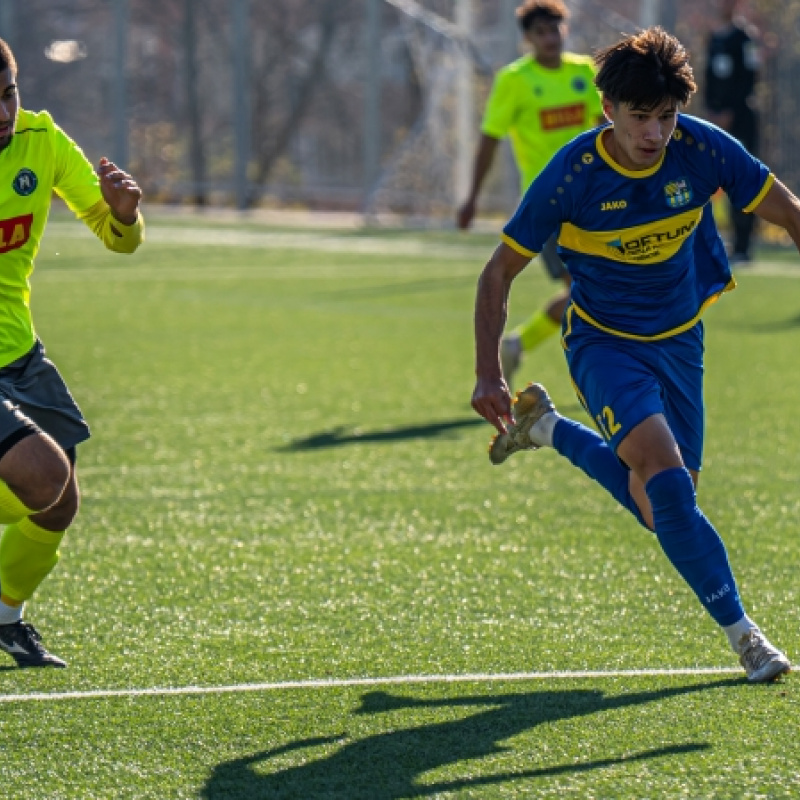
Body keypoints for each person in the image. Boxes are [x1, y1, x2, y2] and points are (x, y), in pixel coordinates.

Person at [471, 27, 798, 682]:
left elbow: (790, 214)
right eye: (641, 118)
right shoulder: (571, 177)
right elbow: (497, 275)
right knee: (667, 484)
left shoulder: (702, 149)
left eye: (666, 117)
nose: (654, 133)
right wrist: (487, 371)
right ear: (608, 112)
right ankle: (748, 639)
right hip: (604, 342)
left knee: (661, 511)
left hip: (680, 339)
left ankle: (549, 429)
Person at [0, 38, 144, 668]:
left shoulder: (43, 141)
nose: (3, 112)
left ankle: (4, 616)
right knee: (41, 473)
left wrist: (125, 215)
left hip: (19, 355)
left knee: (60, 500)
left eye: (7, 94)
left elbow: (117, 239)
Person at [457, 0, 603, 386]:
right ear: (528, 39)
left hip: (597, 199)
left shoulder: (584, 72)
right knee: (587, 291)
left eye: (556, 29)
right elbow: (489, 140)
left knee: (596, 290)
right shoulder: (514, 80)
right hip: (550, 205)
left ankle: (519, 344)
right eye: (541, 32)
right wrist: (471, 197)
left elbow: (609, 129)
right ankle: (600, 372)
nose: (550, 38)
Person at [704, 0, 760, 264]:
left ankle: (742, 246)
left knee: (743, 178)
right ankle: (713, 240)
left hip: (741, 119)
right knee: (714, 180)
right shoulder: (714, 38)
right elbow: (707, 78)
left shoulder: (746, 38)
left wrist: (731, 111)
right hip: (716, 121)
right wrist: (711, 111)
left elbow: (750, 78)